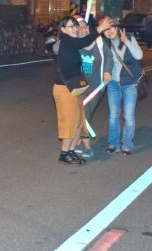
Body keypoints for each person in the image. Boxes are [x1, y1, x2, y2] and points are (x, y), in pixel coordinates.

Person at [53, 14, 115, 165]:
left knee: (80, 123)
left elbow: (87, 44)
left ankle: (71, 151)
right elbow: (85, 40)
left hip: (74, 89)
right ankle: (64, 153)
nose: (75, 29)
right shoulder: (66, 42)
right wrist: (100, 28)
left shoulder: (73, 43)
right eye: (71, 26)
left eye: (76, 26)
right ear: (63, 29)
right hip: (64, 88)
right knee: (70, 122)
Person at [75, 16, 114, 158]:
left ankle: (87, 147)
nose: (83, 29)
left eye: (85, 26)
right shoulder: (75, 44)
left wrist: (107, 71)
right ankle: (79, 140)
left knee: (84, 114)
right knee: (78, 116)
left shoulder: (98, 41)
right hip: (78, 87)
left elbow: (108, 57)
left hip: (96, 87)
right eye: (79, 27)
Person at [102, 20, 144, 155]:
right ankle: (113, 143)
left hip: (129, 83)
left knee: (129, 115)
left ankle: (127, 143)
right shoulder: (105, 43)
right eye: (105, 30)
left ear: (117, 27)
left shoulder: (129, 38)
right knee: (113, 115)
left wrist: (127, 42)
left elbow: (139, 55)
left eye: (111, 28)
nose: (109, 32)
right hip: (113, 84)